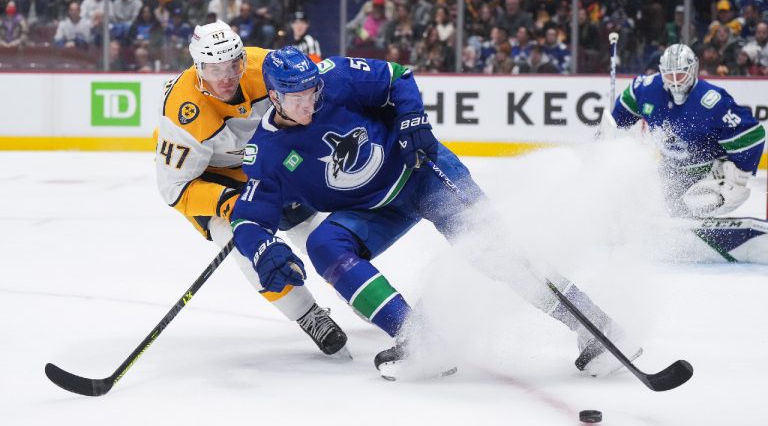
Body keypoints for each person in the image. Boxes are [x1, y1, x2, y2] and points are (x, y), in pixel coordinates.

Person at [230, 46, 641, 379]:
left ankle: (597, 327)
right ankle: (419, 339)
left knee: (493, 249)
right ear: (275, 97)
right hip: (372, 210)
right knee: (323, 244)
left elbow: (397, 78)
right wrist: (264, 250)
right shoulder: (266, 152)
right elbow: (249, 217)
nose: (310, 102)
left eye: (313, 92)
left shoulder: (336, 76)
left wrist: (412, 120)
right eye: (298, 97)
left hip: (422, 172)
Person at [153, 21, 348, 357]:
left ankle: (358, 288)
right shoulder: (183, 111)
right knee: (244, 243)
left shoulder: (267, 67)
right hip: (212, 180)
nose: (226, 77)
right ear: (198, 67)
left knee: (315, 233)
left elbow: (313, 104)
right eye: (214, 69)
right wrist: (230, 202)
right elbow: (176, 190)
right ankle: (308, 314)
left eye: (233, 65)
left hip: (265, 164)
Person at [611, 43, 765, 217]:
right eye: (670, 74)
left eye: (681, 74)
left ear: (693, 69)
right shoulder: (646, 89)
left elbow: (753, 135)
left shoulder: (712, 101)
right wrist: (609, 137)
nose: (675, 80)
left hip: (710, 172)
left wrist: (738, 177)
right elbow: (621, 114)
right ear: (661, 71)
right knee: (648, 200)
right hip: (671, 171)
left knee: (698, 202)